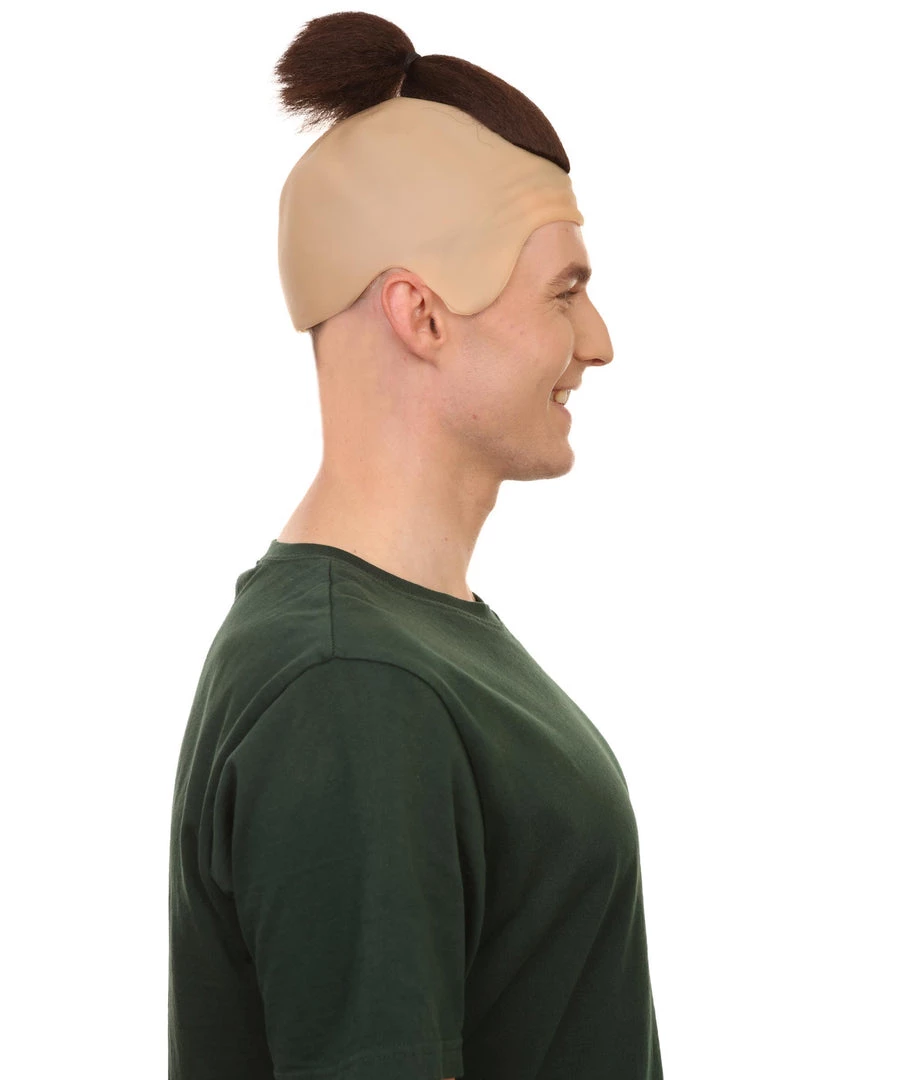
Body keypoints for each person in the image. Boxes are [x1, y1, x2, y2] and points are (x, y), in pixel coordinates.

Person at [168, 11, 662, 1080]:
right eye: (565, 291)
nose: (599, 342)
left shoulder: (401, 643)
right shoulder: (352, 685)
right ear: (422, 315)